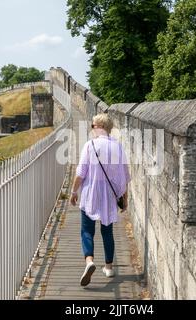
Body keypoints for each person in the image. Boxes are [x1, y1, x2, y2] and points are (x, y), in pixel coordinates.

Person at [70, 113, 130, 287]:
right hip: (109, 196)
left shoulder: (90, 145)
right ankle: (109, 267)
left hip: (90, 193)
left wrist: (74, 191)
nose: (91, 129)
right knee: (107, 231)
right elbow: (124, 175)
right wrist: (124, 198)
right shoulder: (117, 147)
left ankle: (89, 261)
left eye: (92, 126)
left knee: (87, 231)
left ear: (98, 127)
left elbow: (81, 172)